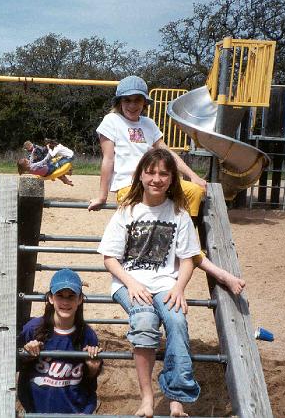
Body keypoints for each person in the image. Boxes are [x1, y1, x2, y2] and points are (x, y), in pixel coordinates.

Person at [88, 75, 245, 295]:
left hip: (156, 181)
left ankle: (181, 242)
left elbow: (168, 154)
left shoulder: (149, 124)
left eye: (137, 100)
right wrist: (102, 196)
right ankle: (203, 262)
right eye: (127, 100)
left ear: (145, 103)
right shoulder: (111, 121)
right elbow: (108, 159)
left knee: (194, 191)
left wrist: (193, 176)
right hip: (130, 186)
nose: (132, 105)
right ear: (119, 102)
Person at [98, 148, 201, 417]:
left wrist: (179, 288)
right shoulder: (127, 212)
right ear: (141, 175)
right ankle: (147, 398)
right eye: (151, 172)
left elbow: (188, 259)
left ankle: (177, 397)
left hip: (166, 283)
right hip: (129, 283)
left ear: (172, 178)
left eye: (164, 174)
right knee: (144, 322)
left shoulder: (179, 214)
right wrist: (131, 284)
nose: (157, 178)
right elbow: (109, 258)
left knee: (177, 322)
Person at [17, 268, 103, 414]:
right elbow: (14, 365)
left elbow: (90, 382)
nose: (65, 301)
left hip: (75, 412)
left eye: (71, 296)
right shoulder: (32, 329)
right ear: (50, 298)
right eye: (60, 295)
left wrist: (93, 368)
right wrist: (27, 355)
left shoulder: (87, 335)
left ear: (80, 299)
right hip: (36, 411)